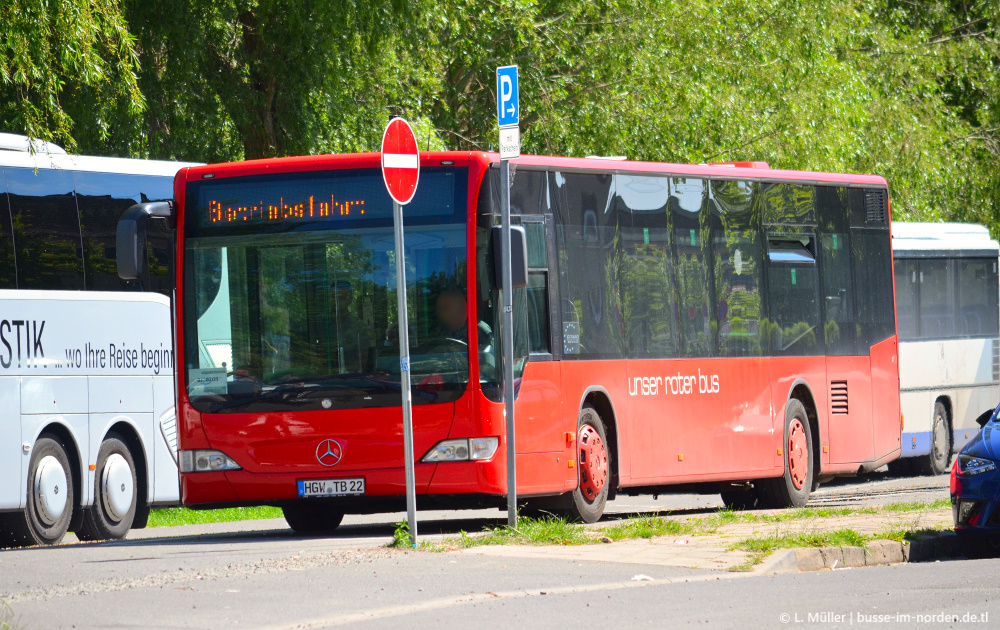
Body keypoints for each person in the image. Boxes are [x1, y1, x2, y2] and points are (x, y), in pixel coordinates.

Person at [328, 280, 371, 374]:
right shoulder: (319, 325)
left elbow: (362, 359)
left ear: (350, 299)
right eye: (333, 297)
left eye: (342, 297)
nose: (337, 301)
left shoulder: (360, 327)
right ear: (328, 299)